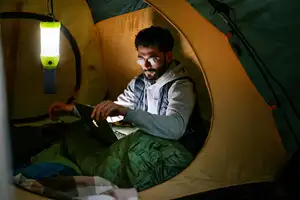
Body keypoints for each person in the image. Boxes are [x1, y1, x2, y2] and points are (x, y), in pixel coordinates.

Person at [49, 26, 199, 144]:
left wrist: (127, 112)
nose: (145, 65)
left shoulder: (180, 86)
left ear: (168, 56)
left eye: (153, 58)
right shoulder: (139, 82)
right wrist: (73, 110)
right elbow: (114, 112)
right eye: (141, 58)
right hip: (144, 142)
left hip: (172, 151)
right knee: (77, 138)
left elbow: (175, 129)